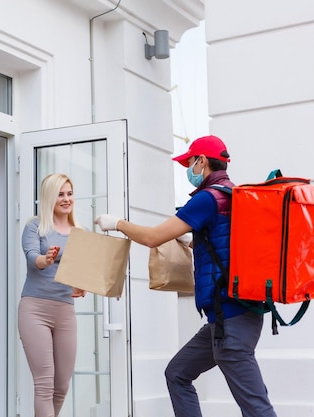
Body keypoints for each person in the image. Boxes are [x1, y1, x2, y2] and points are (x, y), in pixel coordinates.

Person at [94, 135, 277, 417]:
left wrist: (117, 223)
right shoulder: (232, 194)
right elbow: (224, 245)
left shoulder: (207, 198)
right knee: (178, 373)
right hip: (230, 318)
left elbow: (154, 237)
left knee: (256, 408)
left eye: (189, 162)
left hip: (231, 320)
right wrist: (191, 241)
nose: (188, 169)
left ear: (202, 161)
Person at [19, 173, 86, 417]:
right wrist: (45, 259)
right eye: (60, 194)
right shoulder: (35, 225)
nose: (66, 199)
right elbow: (31, 258)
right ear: (49, 196)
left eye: (69, 193)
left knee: (61, 386)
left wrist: (81, 285)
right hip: (35, 309)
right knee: (44, 385)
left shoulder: (80, 231)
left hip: (65, 311)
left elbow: (81, 272)